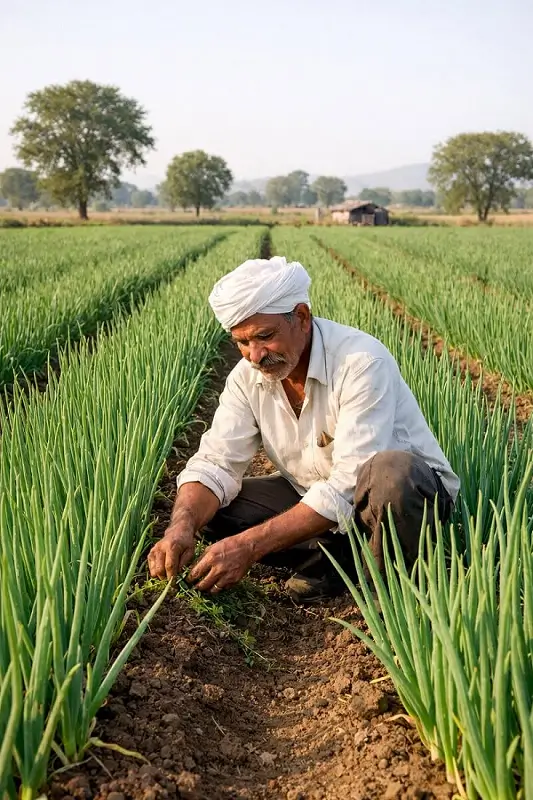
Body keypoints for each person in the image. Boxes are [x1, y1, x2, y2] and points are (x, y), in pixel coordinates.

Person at [148, 256, 459, 603]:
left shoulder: (360, 362)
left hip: (400, 501)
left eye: (265, 336)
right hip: (317, 493)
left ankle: (395, 586)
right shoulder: (246, 379)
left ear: (301, 317)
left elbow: (348, 484)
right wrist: (181, 527)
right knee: (210, 511)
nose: (255, 355)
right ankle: (342, 560)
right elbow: (215, 462)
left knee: (392, 472)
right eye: (242, 342)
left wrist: (249, 546)